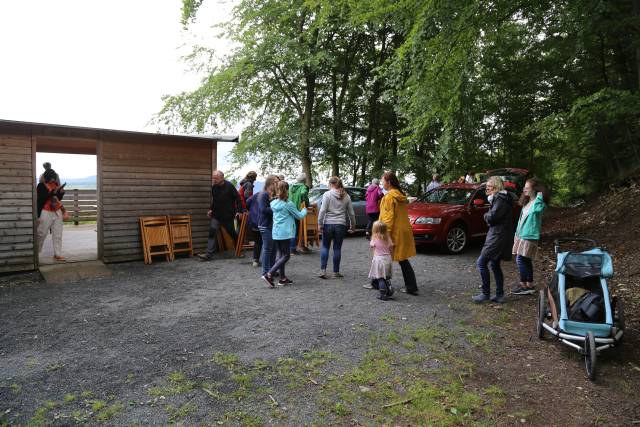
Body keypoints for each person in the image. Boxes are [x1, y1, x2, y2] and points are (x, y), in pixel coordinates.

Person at [473, 176, 514, 304]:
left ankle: (486, 294)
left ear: (496, 187)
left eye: (489, 187)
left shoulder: (500, 200)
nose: (487, 189)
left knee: (481, 262)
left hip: (497, 236)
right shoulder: (499, 198)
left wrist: (485, 215)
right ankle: (499, 295)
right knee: (494, 264)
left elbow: (492, 217)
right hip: (499, 235)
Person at [379, 172, 418, 295]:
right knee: (402, 259)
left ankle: (379, 284)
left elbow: (388, 218)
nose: (382, 183)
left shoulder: (390, 197)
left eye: (383, 181)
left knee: (381, 257)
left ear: (389, 182)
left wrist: (384, 235)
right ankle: (411, 286)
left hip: (394, 232)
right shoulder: (400, 195)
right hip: (403, 230)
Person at [262, 181, 307, 287]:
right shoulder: (289, 204)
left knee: (281, 255)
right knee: (286, 256)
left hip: (276, 232)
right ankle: (269, 274)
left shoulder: (272, 203)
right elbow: (299, 216)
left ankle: (282, 278)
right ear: (287, 191)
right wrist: (305, 210)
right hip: (285, 233)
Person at [511, 179, 549, 295]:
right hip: (521, 234)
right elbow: (522, 219)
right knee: (526, 259)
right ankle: (530, 284)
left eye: (527, 188)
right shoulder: (527, 202)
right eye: (524, 187)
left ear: (534, 189)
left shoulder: (538, 203)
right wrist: (517, 233)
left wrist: (539, 196)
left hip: (529, 235)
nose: (524, 189)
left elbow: (538, 210)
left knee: (520, 259)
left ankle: (523, 285)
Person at [199, 170, 244, 261]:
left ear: (222, 177)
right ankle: (208, 254)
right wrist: (210, 209)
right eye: (213, 178)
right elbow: (215, 201)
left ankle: (239, 250)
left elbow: (238, 199)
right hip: (216, 215)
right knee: (212, 231)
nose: (214, 180)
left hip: (228, 215)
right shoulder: (214, 187)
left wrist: (239, 211)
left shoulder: (229, 186)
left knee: (232, 233)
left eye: (216, 178)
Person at [317, 176, 356, 279]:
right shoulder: (346, 196)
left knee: (325, 247)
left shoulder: (327, 194)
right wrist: (353, 225)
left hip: (328, 224)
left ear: (331, 184)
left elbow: (322, 211)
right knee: (337, 248)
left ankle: (323, 271)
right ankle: (336, 272)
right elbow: (351, 213)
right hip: (340, 224)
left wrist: (319, 223)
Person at [37, 167, 66, 261]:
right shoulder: (41, 186)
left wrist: (61, 193)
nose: (53, 180)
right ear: (47, 177)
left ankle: (58, 254)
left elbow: (58, 198)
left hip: (57, 211)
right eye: (51, 178)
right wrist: (53, 192)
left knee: (58, 233)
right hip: (45, 211)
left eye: (54, 178)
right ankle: (36, 253)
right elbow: (42, 199)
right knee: (41, 233)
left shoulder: (56, 184)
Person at [255, 175, 280, 275]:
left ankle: (271, 270)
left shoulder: (271, 195)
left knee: (273, 249)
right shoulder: (264, 194)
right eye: (276, 182)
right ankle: (265, 272)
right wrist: (277, 208)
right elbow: (263, 209)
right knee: (267, 249)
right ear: (270, 183)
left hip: (271, 225)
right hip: (265, 225)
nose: (278, 184)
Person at [368, 221, 395, 301]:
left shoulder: (374, 238)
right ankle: (389, 291)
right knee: (386, 277)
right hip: (388, 258)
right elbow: (391, 248)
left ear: (374, 229)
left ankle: (383, 295)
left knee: (380, 278)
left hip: (379, 259)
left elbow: (372, 247)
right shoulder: (388, 238)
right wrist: (391, 257)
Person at [288, 173, 311, 254]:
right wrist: (306, 203)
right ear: (305, 180)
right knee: (296, 230)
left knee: (291, 229)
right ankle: (293, 249)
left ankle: (290, 248)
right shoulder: (303, 187)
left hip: (289, 210)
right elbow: (303, 193)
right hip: (298, 210)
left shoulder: (291, 187)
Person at [245, 192, 263, 268]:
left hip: (253, 221)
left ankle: (256, 260)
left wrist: (251, 210)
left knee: (258, 242)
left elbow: (247, 202)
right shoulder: (271, 196)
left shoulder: (257, 194)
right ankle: (268, 261)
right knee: (268, 243)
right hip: (264, 222)